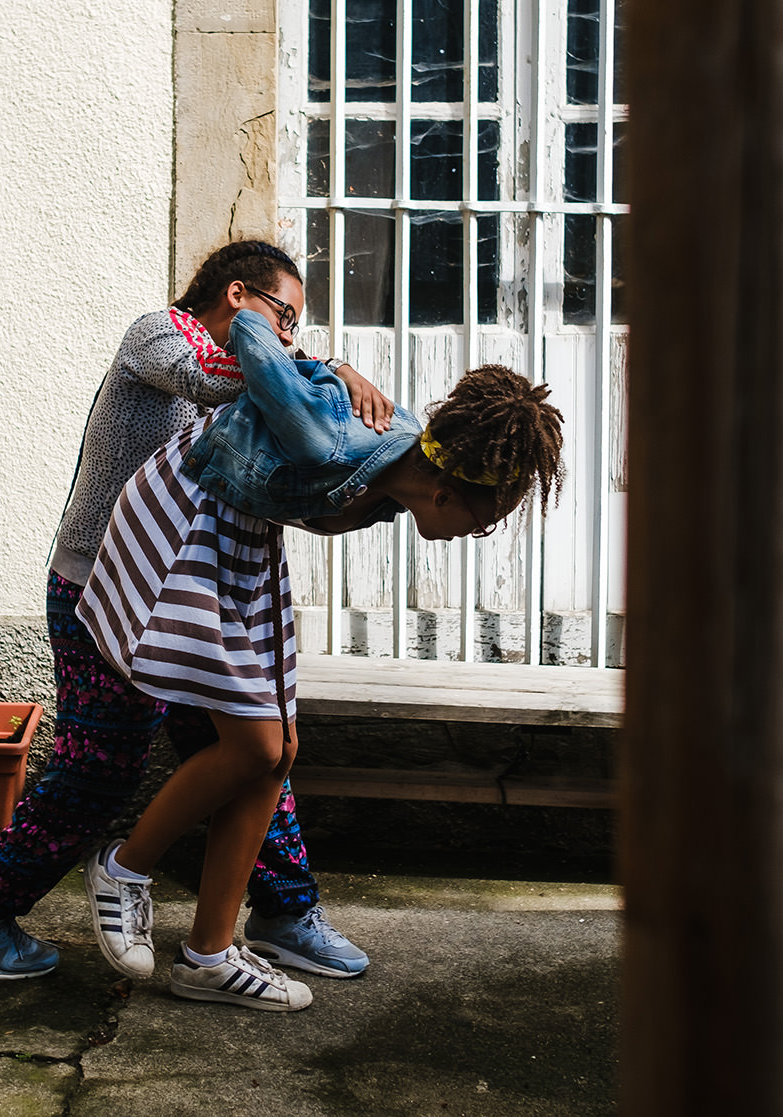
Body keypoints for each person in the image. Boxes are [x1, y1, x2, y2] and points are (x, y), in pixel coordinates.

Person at [0, 241, 386, 983]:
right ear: (236, 294)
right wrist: (328, 370)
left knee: (252, 749)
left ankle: (286, 912)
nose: (290, 337)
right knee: (99, 769)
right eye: (284, 316)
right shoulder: (157, 334)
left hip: (180, 593)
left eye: (298, 327)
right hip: (101, 590)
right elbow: (207, 378)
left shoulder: (258, 379)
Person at [77, 308, 565, 1010]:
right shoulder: (329, 437)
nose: (477, 534)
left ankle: (208, 955)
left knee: (278, 751)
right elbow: (246, 326)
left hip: (243, 542)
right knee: (252, 744)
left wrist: (329, 371)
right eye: (482, 519)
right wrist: (327, 362)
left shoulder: (406, 454)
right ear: (447, 493)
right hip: (190, 514)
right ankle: (123, 868)